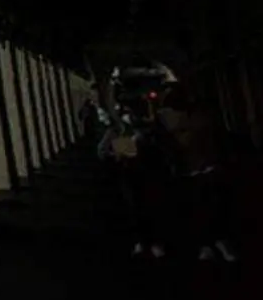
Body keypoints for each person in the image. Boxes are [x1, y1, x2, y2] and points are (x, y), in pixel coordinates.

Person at [157, 89, 237, 262]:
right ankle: (215, 243)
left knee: (202, 207)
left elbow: (175, 147)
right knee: (212, 207)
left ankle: (209, 244)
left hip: (195, 170)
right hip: (205, 168)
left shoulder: (174, 122)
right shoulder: (199, 118)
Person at [99, 100, 168, 258]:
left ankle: (151, 241)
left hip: (142, 172)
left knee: (147, 207)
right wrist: (115, 154)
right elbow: (102, 151)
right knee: (137, 208)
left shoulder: (138, 129)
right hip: (133, 172)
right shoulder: (123, 130)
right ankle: (145, 241)